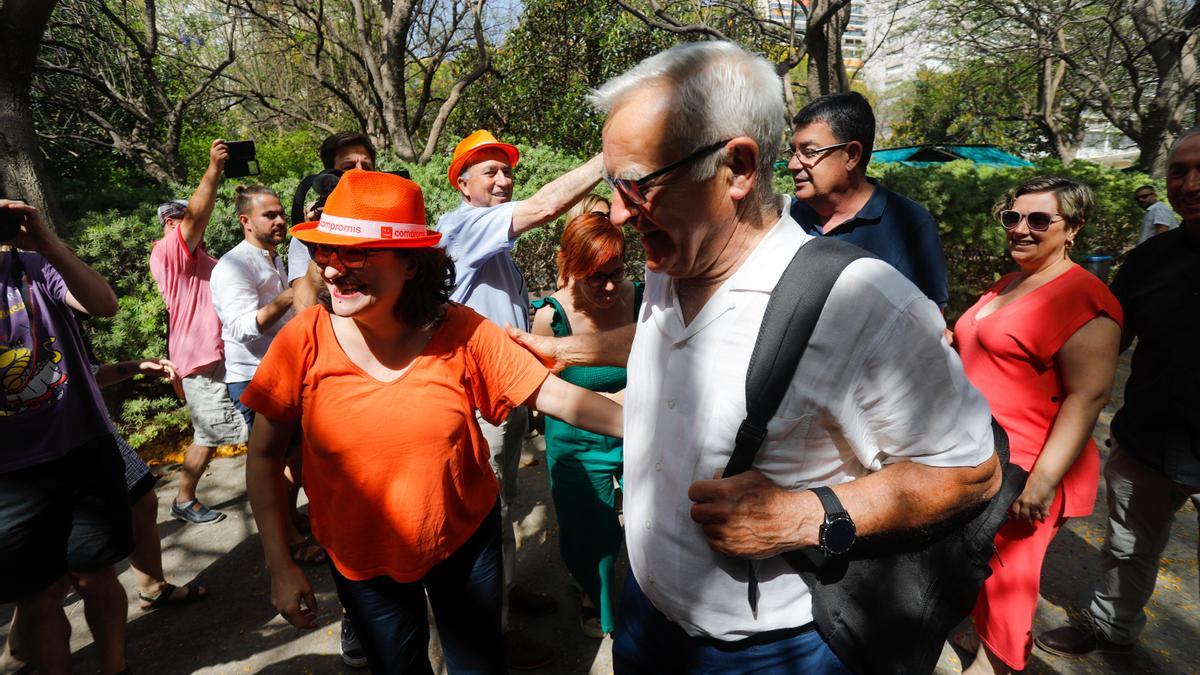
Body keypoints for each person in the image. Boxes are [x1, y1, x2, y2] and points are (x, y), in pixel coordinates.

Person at [514, 41, 1001, 670]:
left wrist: (808, 515)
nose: (618, 212)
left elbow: (969, 471)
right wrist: (562, 348)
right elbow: (681, 341)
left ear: (737, 167)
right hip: (645, 609)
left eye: (634, 186)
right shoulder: (673, 258)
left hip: (767, 650)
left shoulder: (862, 303)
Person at [242, 170, 623, 673]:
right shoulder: (303, 341)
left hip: (465, 548)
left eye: (353, 254)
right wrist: (279, 564)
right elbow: (265, 455)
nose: (332, 272)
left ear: (411, 264)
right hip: (362, 563)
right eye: (324, 254)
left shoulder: (461, 330)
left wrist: (670, 433)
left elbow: (557, 397)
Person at [438, 128, 604, 668]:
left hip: (504, 400)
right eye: (489, 172)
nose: (503, 180)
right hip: (477, 402)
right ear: (462, 185)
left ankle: (500, 602)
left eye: (506, 171)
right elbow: (547, 206)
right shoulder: (463, 227)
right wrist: (610, 157)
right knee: (479, 515)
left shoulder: (495, 249)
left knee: (499, 506)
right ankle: (487, 638)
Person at [1036, 128, 1200, 658]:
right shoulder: (1152, 259)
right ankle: (1112, 627)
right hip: (1149, 442)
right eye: (1179, 171)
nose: (1190, 184)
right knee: (1127, 549)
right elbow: (1108, 340)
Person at [950, 177, 1122, 674]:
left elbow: (1087, 397)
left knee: (1009, 578)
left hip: (1031, 467)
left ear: (1074, 229)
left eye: (1039, 220)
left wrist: (1040, 484)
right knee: (980, 561)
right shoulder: (1012, 281)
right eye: (1013, 218)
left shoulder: (1085, 300)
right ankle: (983, 638)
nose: (1021, 229)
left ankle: (997, 663)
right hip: (983, 456)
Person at [0, 199, 131, 675]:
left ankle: (115, 668)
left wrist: (48, 244)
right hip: (9, 475)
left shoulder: (35, 265)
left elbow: (104, 304)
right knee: (38, 596)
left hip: (81, 449)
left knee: (97, 576)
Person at [530, 210, 638, 639]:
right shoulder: (550, 317)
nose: (609, 287)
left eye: (615, 273)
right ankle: (595, 594)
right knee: (587, 529)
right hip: (576, 438)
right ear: (571, 268)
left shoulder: (642, 297)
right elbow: (539, 390)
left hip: (639, 430)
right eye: (596, 277)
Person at [210, 186, 320, 567]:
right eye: (268, 215)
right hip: (254, 379)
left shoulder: (271, 257)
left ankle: (290, 520)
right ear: (245, 221)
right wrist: (290, 296)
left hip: (284, 372)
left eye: (280, 214)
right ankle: (289, 542)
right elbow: (241, 328)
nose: (279, 221)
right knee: (271, 463)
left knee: (293, 456)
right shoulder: (232, 266)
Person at [150, 138, 250, 525]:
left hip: (221, 354)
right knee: (210, 435)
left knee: (219, 432)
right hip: (202, 361)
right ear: (172, 224)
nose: (194, 226)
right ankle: (184, 499)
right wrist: (214, 169)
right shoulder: (168, 252)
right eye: (184, 221)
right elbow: (196, 216)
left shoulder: (200, 257)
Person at [786, 92, 950, 308]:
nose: (792, 164)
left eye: (808, 152)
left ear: (852, 155)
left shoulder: (909, 226)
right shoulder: (787, 218)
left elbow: (928, 325)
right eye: (792, 152)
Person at [289, 131, 378, 312]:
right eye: (349, 166)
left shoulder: (391, 225)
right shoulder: (309, 238)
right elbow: (303, 308)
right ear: (329, 176)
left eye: (366, 167)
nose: (359, 172)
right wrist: (321, 244)